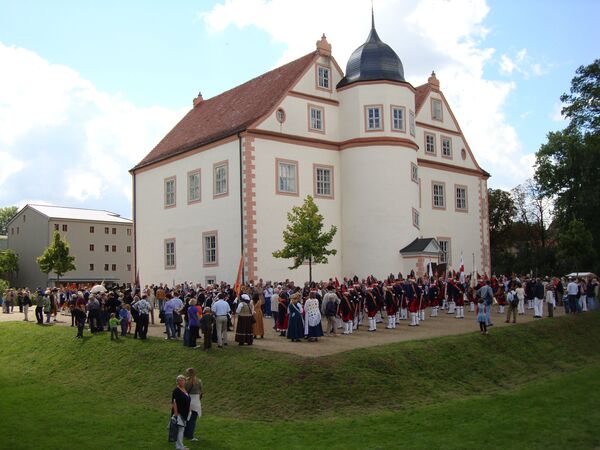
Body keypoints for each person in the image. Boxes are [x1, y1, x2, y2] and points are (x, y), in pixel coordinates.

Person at [171, 375, 191, 450]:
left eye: (183, 380)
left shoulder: (184, 389)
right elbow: (174, 402)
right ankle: (179, 447)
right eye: (180, 380)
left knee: (181, 429)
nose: (182, 381)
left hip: (185, 413)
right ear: (177, 381)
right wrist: (176, 413)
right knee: (180, 429)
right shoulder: (176, 390)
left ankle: (180, 445)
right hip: (179, 413)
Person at [184, 368, 203, 442]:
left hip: (188, 400)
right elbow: (201, 392)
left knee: (187, 418)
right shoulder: (199, 381)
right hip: (195, 401)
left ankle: (185, 434)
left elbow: (184, 391)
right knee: (193, 420)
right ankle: (190, 436)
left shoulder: (185, 381)